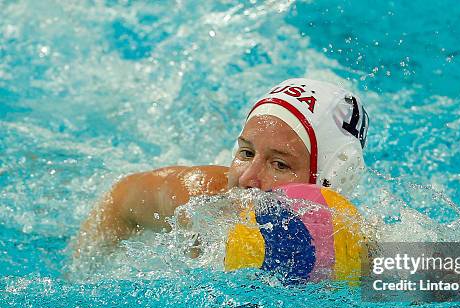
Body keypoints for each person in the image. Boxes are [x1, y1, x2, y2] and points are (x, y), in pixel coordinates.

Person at [74, 78, 369, 256]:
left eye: (279, 164)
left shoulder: (363, 250)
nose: (247, 179)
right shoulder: (199, 202)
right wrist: (82, 273)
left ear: (331, 180)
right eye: (246, 153)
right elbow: (118, 201)